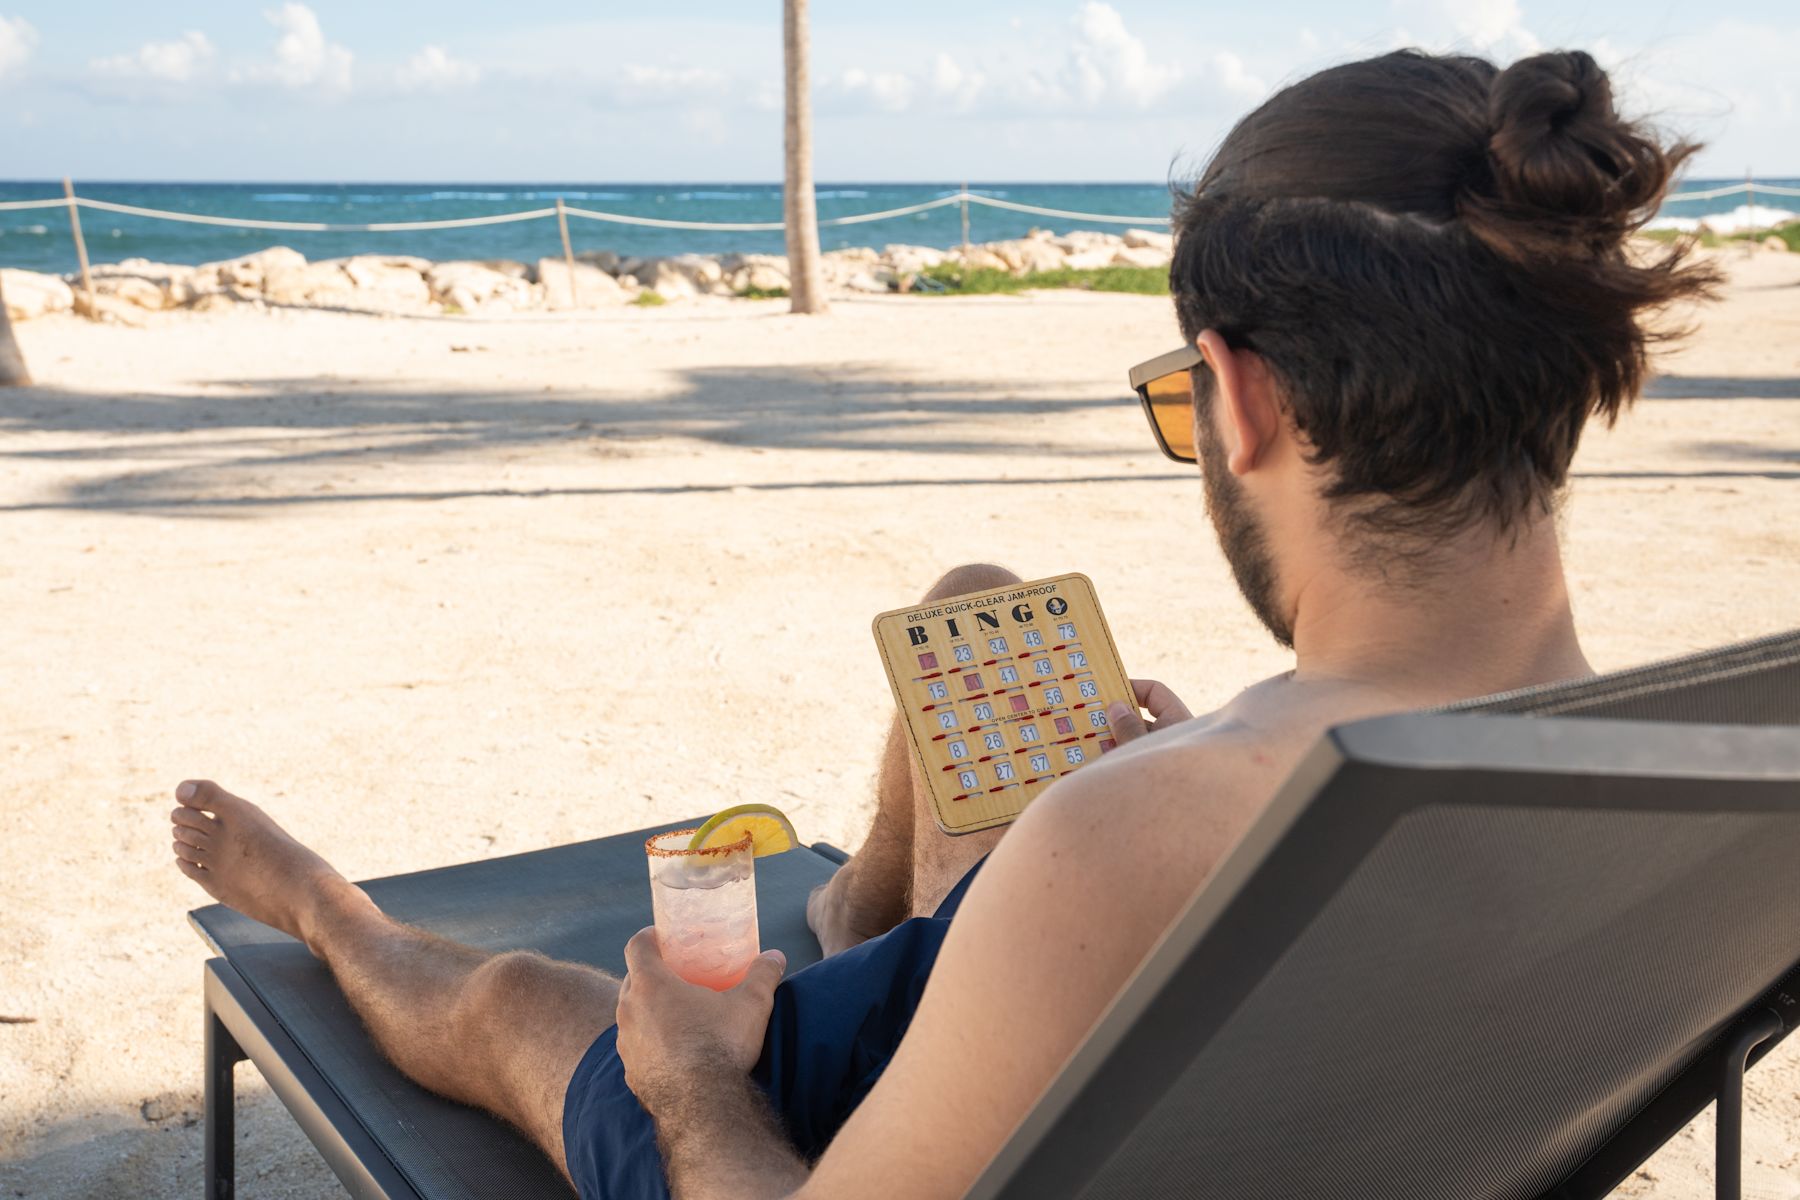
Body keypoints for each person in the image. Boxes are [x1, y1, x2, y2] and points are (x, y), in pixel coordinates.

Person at [171, 46, 1715, 1200]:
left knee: (525, 1004)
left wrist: (698, 1085)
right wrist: (1186, 786)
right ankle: (863, 926)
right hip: (1202, 1051)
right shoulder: (1693, 779)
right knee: (977, 615)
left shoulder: (1135, 838)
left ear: (1240, 398)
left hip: (839, 1131)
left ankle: (320, 910)